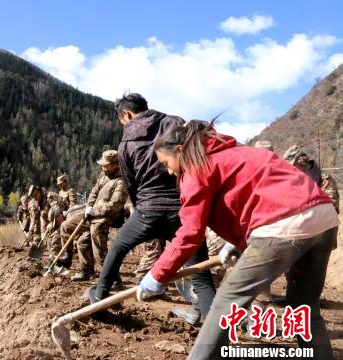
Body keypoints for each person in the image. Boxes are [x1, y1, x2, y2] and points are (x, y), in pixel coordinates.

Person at [137, 120, 338, 359]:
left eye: (166, 163)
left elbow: (190, 232)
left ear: (180, 150)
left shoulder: (196, 165)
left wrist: (157, 274)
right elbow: (253, 197)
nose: (170, 171)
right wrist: (237, 243)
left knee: (227, 301)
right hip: (324, 217)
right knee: (305, 305)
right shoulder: (236, 153)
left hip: (283, 222)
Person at [89, 93, 216, 317]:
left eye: (122, 120)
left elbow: (130, 183)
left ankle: (99, 295)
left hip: (148, 207)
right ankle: (209, 319)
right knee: (201, 273)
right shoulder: (174, 123)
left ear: (126, 114)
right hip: (182, 209)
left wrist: (142, 211)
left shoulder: (126, 144)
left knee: (118, 247)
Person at [71, 150, 128, 281]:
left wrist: (94, 211)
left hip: (107, 217)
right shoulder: (104, 174)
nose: (103, 168)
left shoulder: (121, 181)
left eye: (106, 165)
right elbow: (94, 191)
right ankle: (87, 271)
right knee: (82, 242)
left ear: (115, 165)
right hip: (94, 214)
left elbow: (115, 205)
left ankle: (113, 279)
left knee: (99, 250)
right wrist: (89, 206)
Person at [46, 192, 65, 261]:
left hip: (62, 226)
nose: (48, 200)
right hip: (56, 227)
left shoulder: (58, 207)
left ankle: (54, 261)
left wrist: (52, 225)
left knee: (55, 241)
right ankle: (54, 259)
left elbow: (60, 220)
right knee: (49, 240)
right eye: (48, 198)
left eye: (50, 198)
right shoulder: (52, 207)